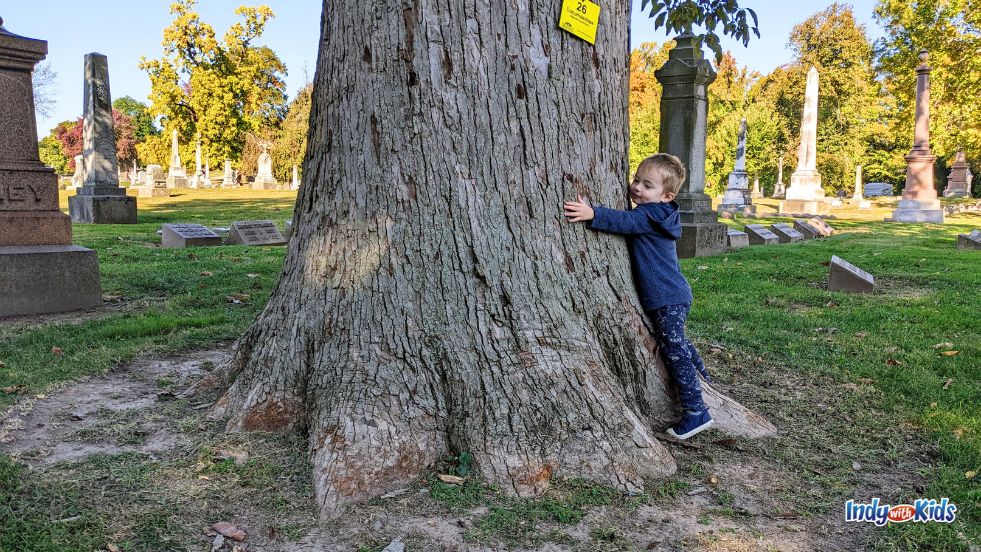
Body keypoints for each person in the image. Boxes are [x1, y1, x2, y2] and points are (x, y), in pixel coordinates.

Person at [563, 153, 713, 440]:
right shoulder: (659, 213)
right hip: (672, 295)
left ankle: (696, 411)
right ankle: (698, 368)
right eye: (636, 180)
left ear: (666, 196)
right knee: (676, 341)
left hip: (667, 296)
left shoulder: (651, 214)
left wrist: (593, 213)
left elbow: (626, 222)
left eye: (647, 185)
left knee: (673, 348)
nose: (636, 188)